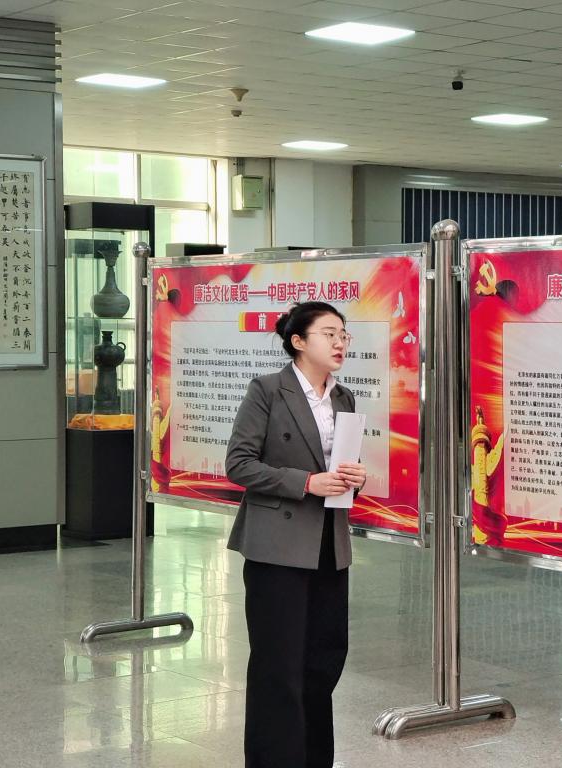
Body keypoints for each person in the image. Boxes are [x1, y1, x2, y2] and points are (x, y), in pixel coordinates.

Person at [226, 301, 367, 768]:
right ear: (299, 341)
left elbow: (338, 466)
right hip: (277, 547)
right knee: (278, 665)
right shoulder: (268, 390)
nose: (340, 343)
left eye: (344, 335)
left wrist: (354, 477)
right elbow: (239, 464)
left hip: (329, 545)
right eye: (329, 334)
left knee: (323, 660)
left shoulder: (344, 397)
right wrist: (306, 483)